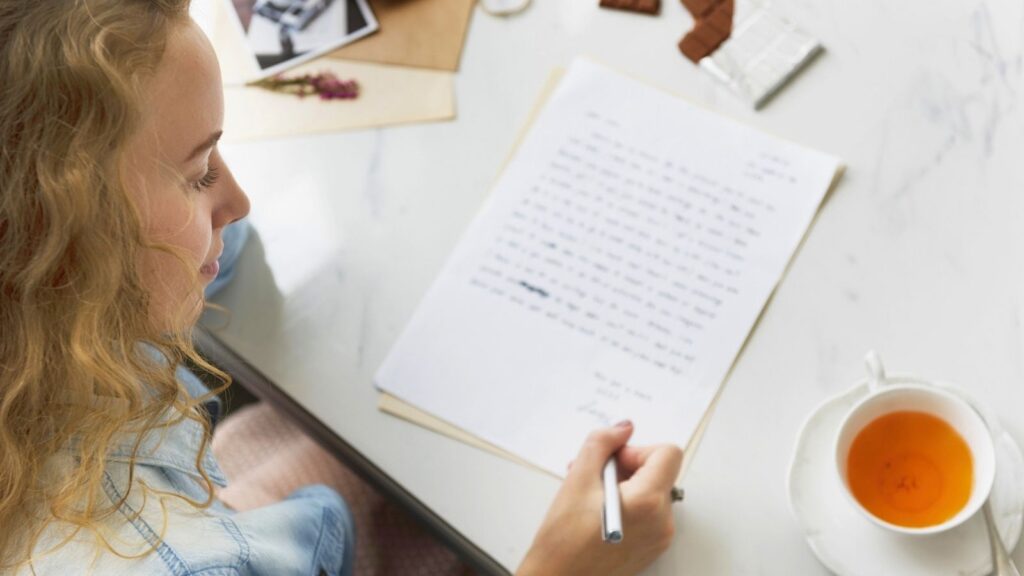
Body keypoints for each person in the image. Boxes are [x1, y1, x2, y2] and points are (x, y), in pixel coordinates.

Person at [0, 1, 684, 574]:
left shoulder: (49, 305)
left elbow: (225, 248)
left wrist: (183, 206)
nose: (237, 198)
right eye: (199, 173)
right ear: (56, 233)